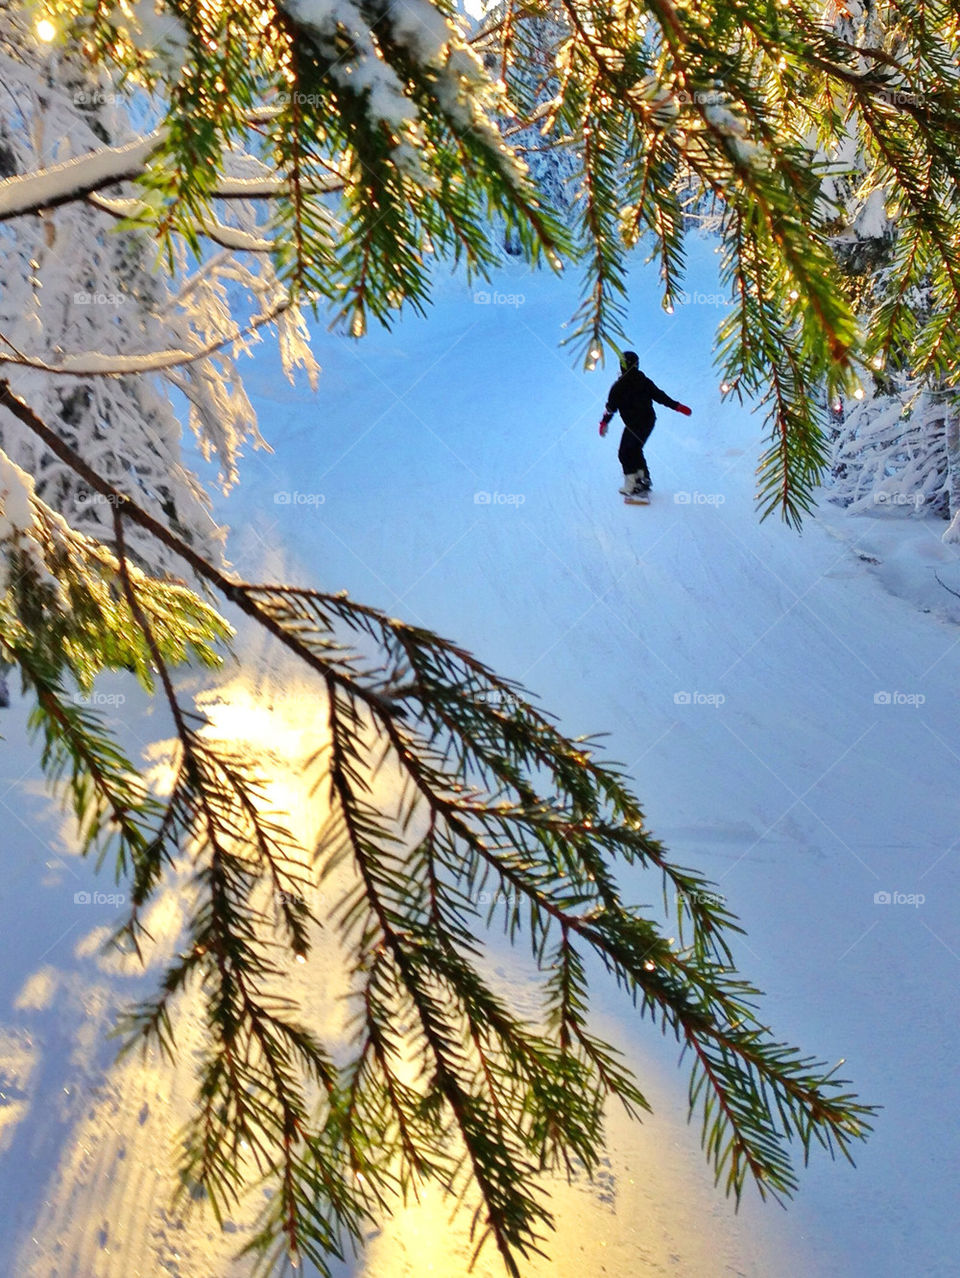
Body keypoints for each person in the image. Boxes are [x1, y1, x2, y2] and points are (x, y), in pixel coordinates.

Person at [598, 351, 691, 496]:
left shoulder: (618, 387)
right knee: (635, 449)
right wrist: (677, 406)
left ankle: (632, 484)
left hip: (636, 424)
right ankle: (643, 479)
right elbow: (660, 396)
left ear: (622, 367)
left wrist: (604, 422)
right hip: (648, 421)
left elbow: (610, 409)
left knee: (624, 452)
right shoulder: (643, 381)